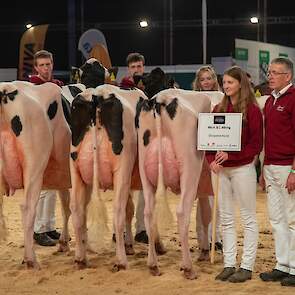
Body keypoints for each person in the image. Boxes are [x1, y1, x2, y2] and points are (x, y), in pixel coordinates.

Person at [206, 66, 263, 282]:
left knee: (248, 218)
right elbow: (208, 140)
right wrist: (212, 161)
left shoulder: (252, 110)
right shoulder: (218, 109)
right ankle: (229, 263)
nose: (226, 86)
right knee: (226, 219)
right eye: (225, 82)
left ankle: (246, 266)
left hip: (243, 169)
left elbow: (255, 144)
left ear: (241, 84)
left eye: (230, 82)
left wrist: (232, 157)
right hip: (220, 171)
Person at [259, 57, 295, 287]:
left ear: (288, 76)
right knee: (276, 219)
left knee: (292, 218)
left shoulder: (294, 99)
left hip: (287, 167)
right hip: (271, 166)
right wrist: (263, 168)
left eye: (275, 72)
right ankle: (282, 265)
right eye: (269, 72)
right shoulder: (271, 101)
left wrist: (294, 170)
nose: (270, 76)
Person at [29, 50, 63, 246]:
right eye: (41, 65)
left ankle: (48, 225)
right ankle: (38, 230)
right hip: (36, 141)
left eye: (48, 64)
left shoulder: (56, 86)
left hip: (53, 139)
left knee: (52, 186)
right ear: (36, 67)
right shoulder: (32, 87)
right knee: (42, 187)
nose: (45, 68)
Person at [192, 65, 223, 261]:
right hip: (198, 154)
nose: (206, 82)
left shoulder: (221, 97)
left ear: (214, 79)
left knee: (217, 199)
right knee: (201, 199)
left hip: (218, 153)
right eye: (203, 79)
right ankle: (203, 240)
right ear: (198, 81)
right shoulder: (193, 99)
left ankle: (216, 238)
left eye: (209, 78)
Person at [119, 52, 148, 244]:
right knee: (124, 187)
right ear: (128, 69)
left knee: (147, 186)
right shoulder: (121, 89)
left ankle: (142, 228)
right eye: (133, 67)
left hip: (146, 142)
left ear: (143, 67)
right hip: (125, 143)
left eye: (139, 66)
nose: (136, 70)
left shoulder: (150, 86)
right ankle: (122, 228)